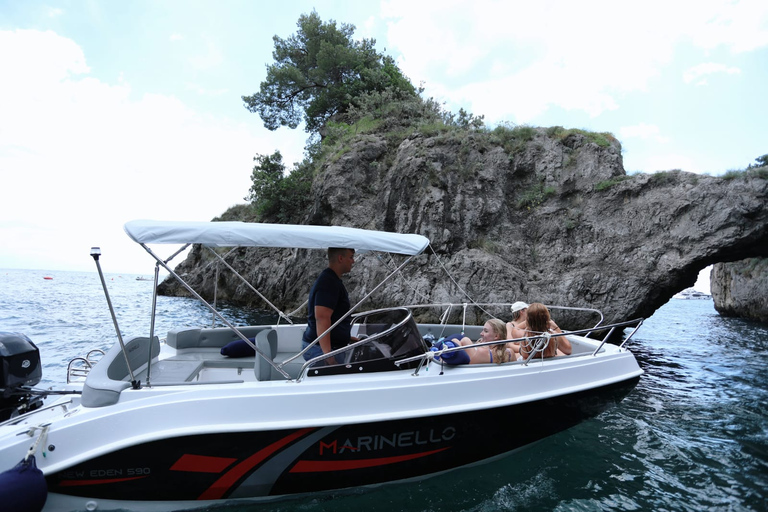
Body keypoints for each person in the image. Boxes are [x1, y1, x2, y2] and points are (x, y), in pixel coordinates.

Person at [301, 247, 357, 365]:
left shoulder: (331, 280)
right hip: (320, 350)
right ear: (340, 258)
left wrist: (348, 338)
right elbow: (322, 318)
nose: (353, 261)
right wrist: (328, 355)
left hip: (326, 347)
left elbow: (333, 317)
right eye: (351, 257)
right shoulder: (328, 283)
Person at [438, 319, 518, 364]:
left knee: (458, 339)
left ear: (496, 336)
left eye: (485, 331)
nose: (481, 334)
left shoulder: (482, 352)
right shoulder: (510, 353)